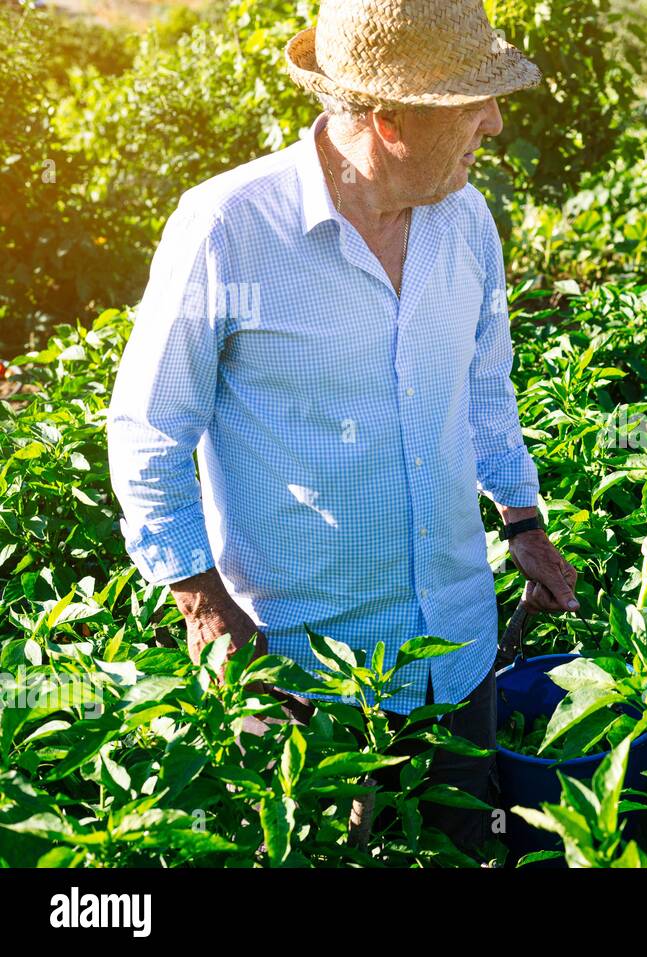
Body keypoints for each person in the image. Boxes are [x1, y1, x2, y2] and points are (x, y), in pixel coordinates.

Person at [105, 0, 579, 857]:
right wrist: (206, 610)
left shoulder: (466, 221)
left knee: (461, 847)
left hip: (456, 654)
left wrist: (523, 518)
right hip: (304, 680)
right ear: (388, 116)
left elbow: (484, 387)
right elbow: (148, 431)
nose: (495, 123)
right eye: (474, 102)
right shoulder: (229, 230)